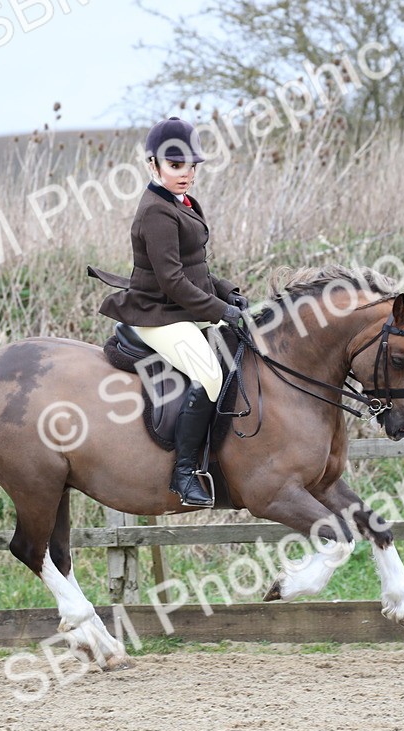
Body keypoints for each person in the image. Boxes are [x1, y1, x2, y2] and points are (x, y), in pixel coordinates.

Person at [95, 117, 248, 508]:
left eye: (191, 166)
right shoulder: (156, 212)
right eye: (176, 166)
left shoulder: (183, 203)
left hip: (180, 309)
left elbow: (196, 268)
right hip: (157, 313)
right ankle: (184, 473)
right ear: (153, 165)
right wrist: (221, 311)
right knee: (210, 375)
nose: (186, 174)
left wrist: (229, 293)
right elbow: (174, 281)